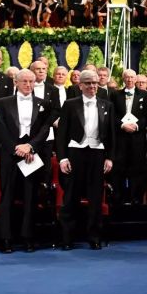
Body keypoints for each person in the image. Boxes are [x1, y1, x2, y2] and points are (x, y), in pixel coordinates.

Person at [0, 69, 52, 253]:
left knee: (30, 196)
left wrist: (31, 147)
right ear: (16, 83)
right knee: (7, 196)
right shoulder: (3, 102)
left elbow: (44, 129)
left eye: (31, 81)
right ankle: (6, 239)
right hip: (10, 154)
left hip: (31, 155)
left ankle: (28, 238)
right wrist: (16, 148)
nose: (28, 85)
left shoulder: (43, 103)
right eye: (24, 81)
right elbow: (1, 129)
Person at [56, 70, 114, 250]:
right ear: (80, 85)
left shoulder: (107, 105)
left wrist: (110, 158)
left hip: (97, 154)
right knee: (71, 198)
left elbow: (112, 135)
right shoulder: (70, 104)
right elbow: (61, 135)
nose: (92, 86)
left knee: (95, 199)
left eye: (95, 83)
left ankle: (94, 237)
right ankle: (67, 239)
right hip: (75, 153)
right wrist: (63, 158)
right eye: (88, 83)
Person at [112, 70, 147, 206]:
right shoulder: (115, 95)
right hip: (120, 138)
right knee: (119, 168)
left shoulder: (145, 95)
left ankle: (135, 198)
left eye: (132, 77)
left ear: (136, 79)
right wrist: (122, 125)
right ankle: (119, 198)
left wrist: (137, 126)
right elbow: (112, 115)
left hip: (137, 138)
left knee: (137, 169)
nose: (129, 79)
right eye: (127, 77)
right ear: (123, 79)